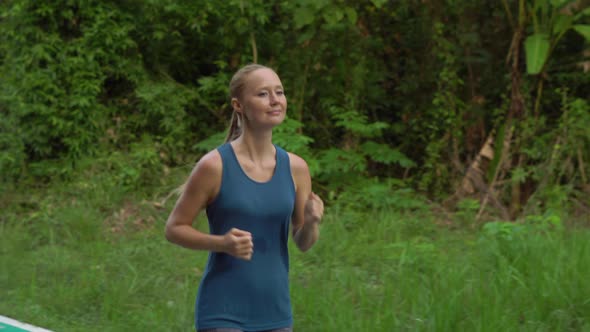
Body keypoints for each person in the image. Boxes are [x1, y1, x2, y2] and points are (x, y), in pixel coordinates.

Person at [165, 63, 324, 332]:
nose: (275, 100)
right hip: (223, 312)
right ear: (238, 105)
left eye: (279, 92)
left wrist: (310, 222)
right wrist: (222, 243)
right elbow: (174, 229)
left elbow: (303, 243)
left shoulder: (296, 168)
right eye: (263, 94)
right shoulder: (214, 166)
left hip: (276, 313)